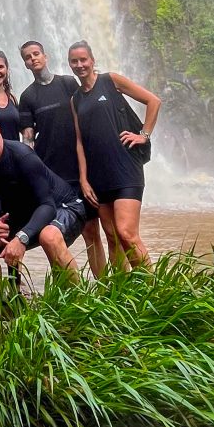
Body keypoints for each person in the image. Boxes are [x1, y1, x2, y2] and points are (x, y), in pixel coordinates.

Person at [0, 106, 91, 295]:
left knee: (48, 236)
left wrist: (22, 237)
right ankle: (1, 300)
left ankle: (78, 299)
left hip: (63, 207)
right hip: (25, 212)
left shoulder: (22, 156)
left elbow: (47, 205)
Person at [68, 40, 160, 271]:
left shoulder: (111, 80)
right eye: (74, 61)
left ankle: (152, 285)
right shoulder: (75, 99)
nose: (80, 65)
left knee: (126, 233)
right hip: (99, 176)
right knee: (112, 237)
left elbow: (153, 101)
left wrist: (143, 135)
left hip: (126, 168)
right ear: (69, 65)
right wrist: (83, 179)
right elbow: (79, 141)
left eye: (83, 60)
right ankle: (123, 288)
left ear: (92, 60)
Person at [18, 39, 107, 277]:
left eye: (36, 54)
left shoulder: (68, 83)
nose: (33, 59)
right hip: (53, 176)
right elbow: (28, 139)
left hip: (81, 170)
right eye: (28, 57)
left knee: (92, 232)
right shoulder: (27, 96)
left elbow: (85, 113)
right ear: (25, 64)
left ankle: (104, 287)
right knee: (53, 234)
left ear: (45, 56)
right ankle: (64, 287)